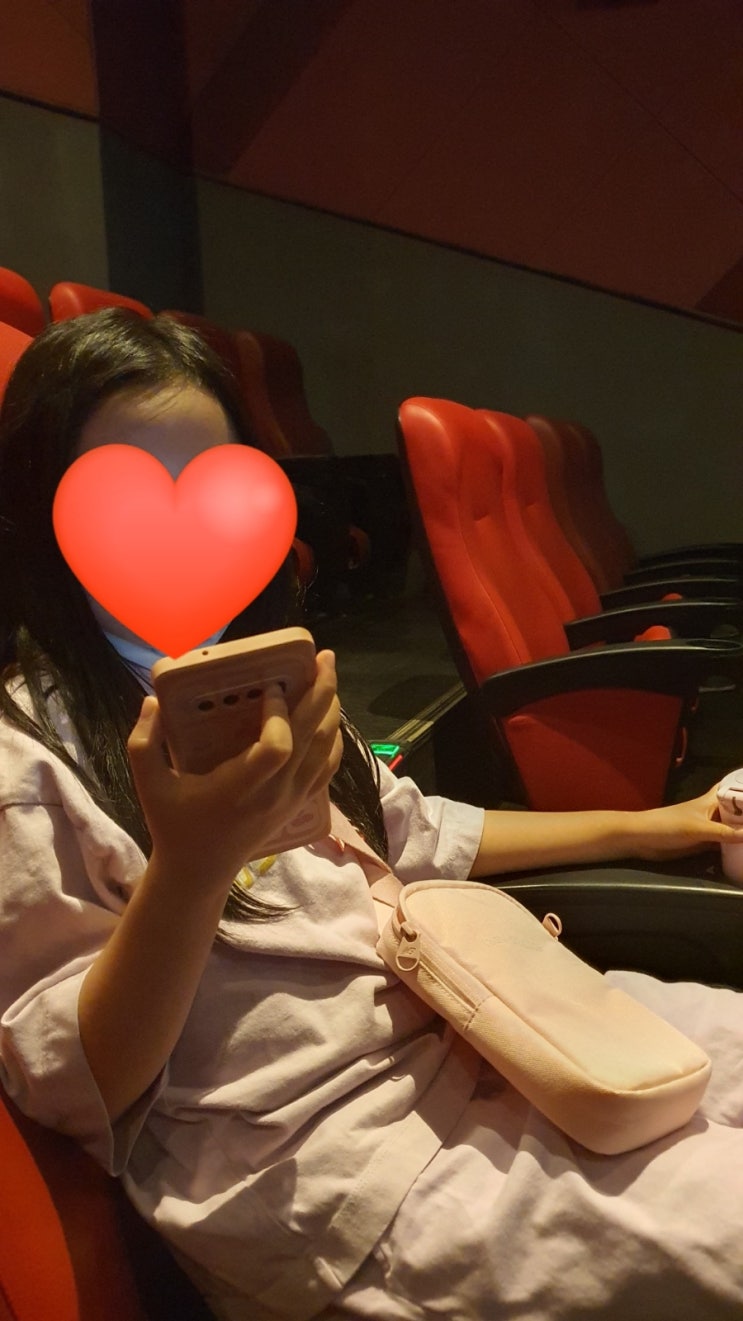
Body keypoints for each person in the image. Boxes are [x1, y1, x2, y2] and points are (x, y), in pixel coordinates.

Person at [0, 309, 741, 1321]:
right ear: (42, 513)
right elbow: (77, 1085)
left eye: (212, 484)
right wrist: (193, 864)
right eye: (125, 494)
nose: (181, 529)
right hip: (341, 1173)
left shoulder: (261, 679)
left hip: (477, 1027)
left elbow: (417, 830)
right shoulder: (28, 761)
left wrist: (663, 821)